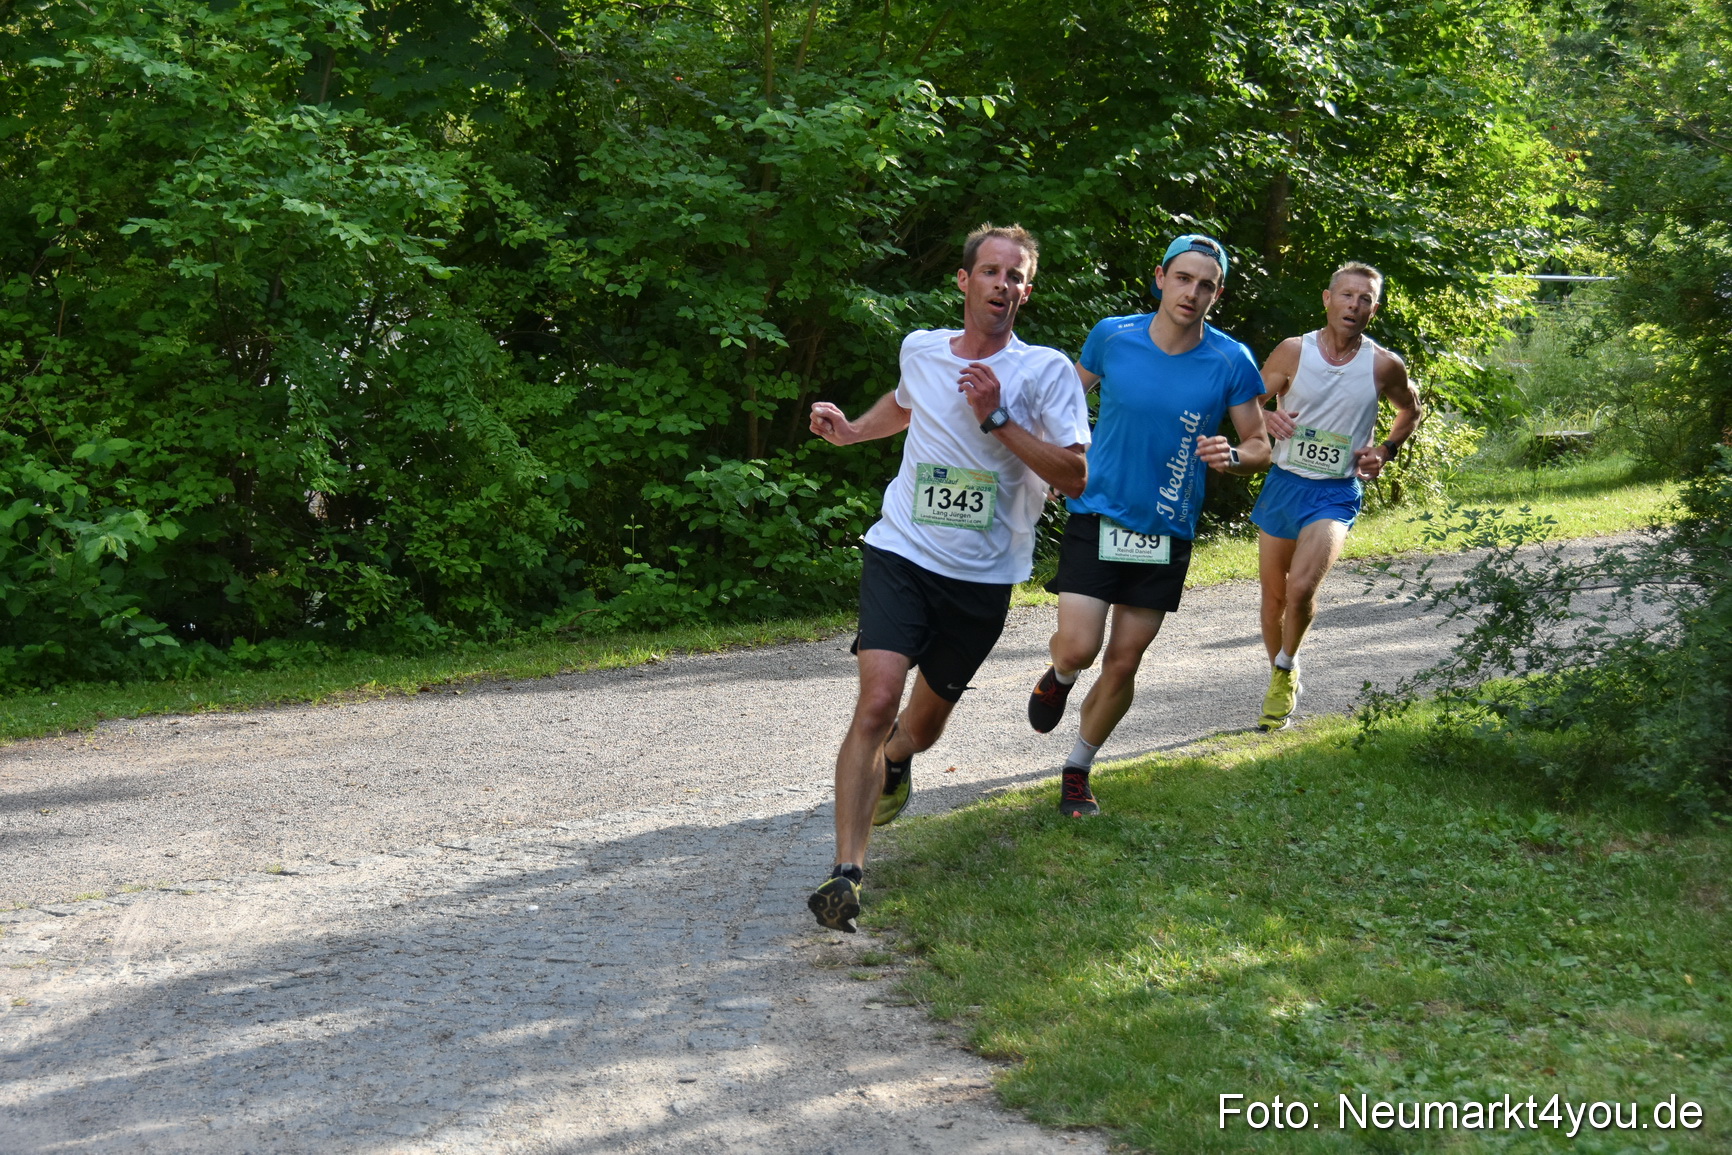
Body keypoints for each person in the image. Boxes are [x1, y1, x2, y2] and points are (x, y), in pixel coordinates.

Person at [804, 224, 1092, 931]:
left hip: (982, 578)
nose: (1001, 283)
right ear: (964, 281)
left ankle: (899, 758)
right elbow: (905, 405)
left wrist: (997, 418)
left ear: (1027, 291)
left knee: (921, 728)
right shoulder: (922, 349)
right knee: (877, 701)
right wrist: (852, 430)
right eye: (989, 271)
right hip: (901, 550)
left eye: (1014, 275)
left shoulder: (1046, 371)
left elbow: (1075, 476)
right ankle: (846, 873)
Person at [1025, 235, 1270, 816]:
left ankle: (1078, 768)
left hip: (1166, 529)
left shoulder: (1231, 359)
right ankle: (1060, 674)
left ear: (1217, 294)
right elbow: (1062, 400)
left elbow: (1260, 444)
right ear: (1160, 277)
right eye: (1183, 278)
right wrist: (1059, 458)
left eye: (1206, 285)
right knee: (1080, 648)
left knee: (1125, 660)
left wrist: (1234, 456)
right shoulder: (1113, 335)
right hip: (1098, 511)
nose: (1192, 292)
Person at [1251, 261, 1421, 730]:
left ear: (1374, 310)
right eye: (1347, 295)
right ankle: (1281, 672)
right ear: (1328, 299)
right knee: (1273, 598)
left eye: (1365, 299)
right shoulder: (1293, 351)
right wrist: (1265, 418)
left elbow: (1411, 410)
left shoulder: (1383, 364)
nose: (1354, 305)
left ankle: (1286, 665)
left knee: (1301, 588)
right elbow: (1247, 402)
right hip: (1284, 484)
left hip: (1336, 492)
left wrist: (1386, 450)